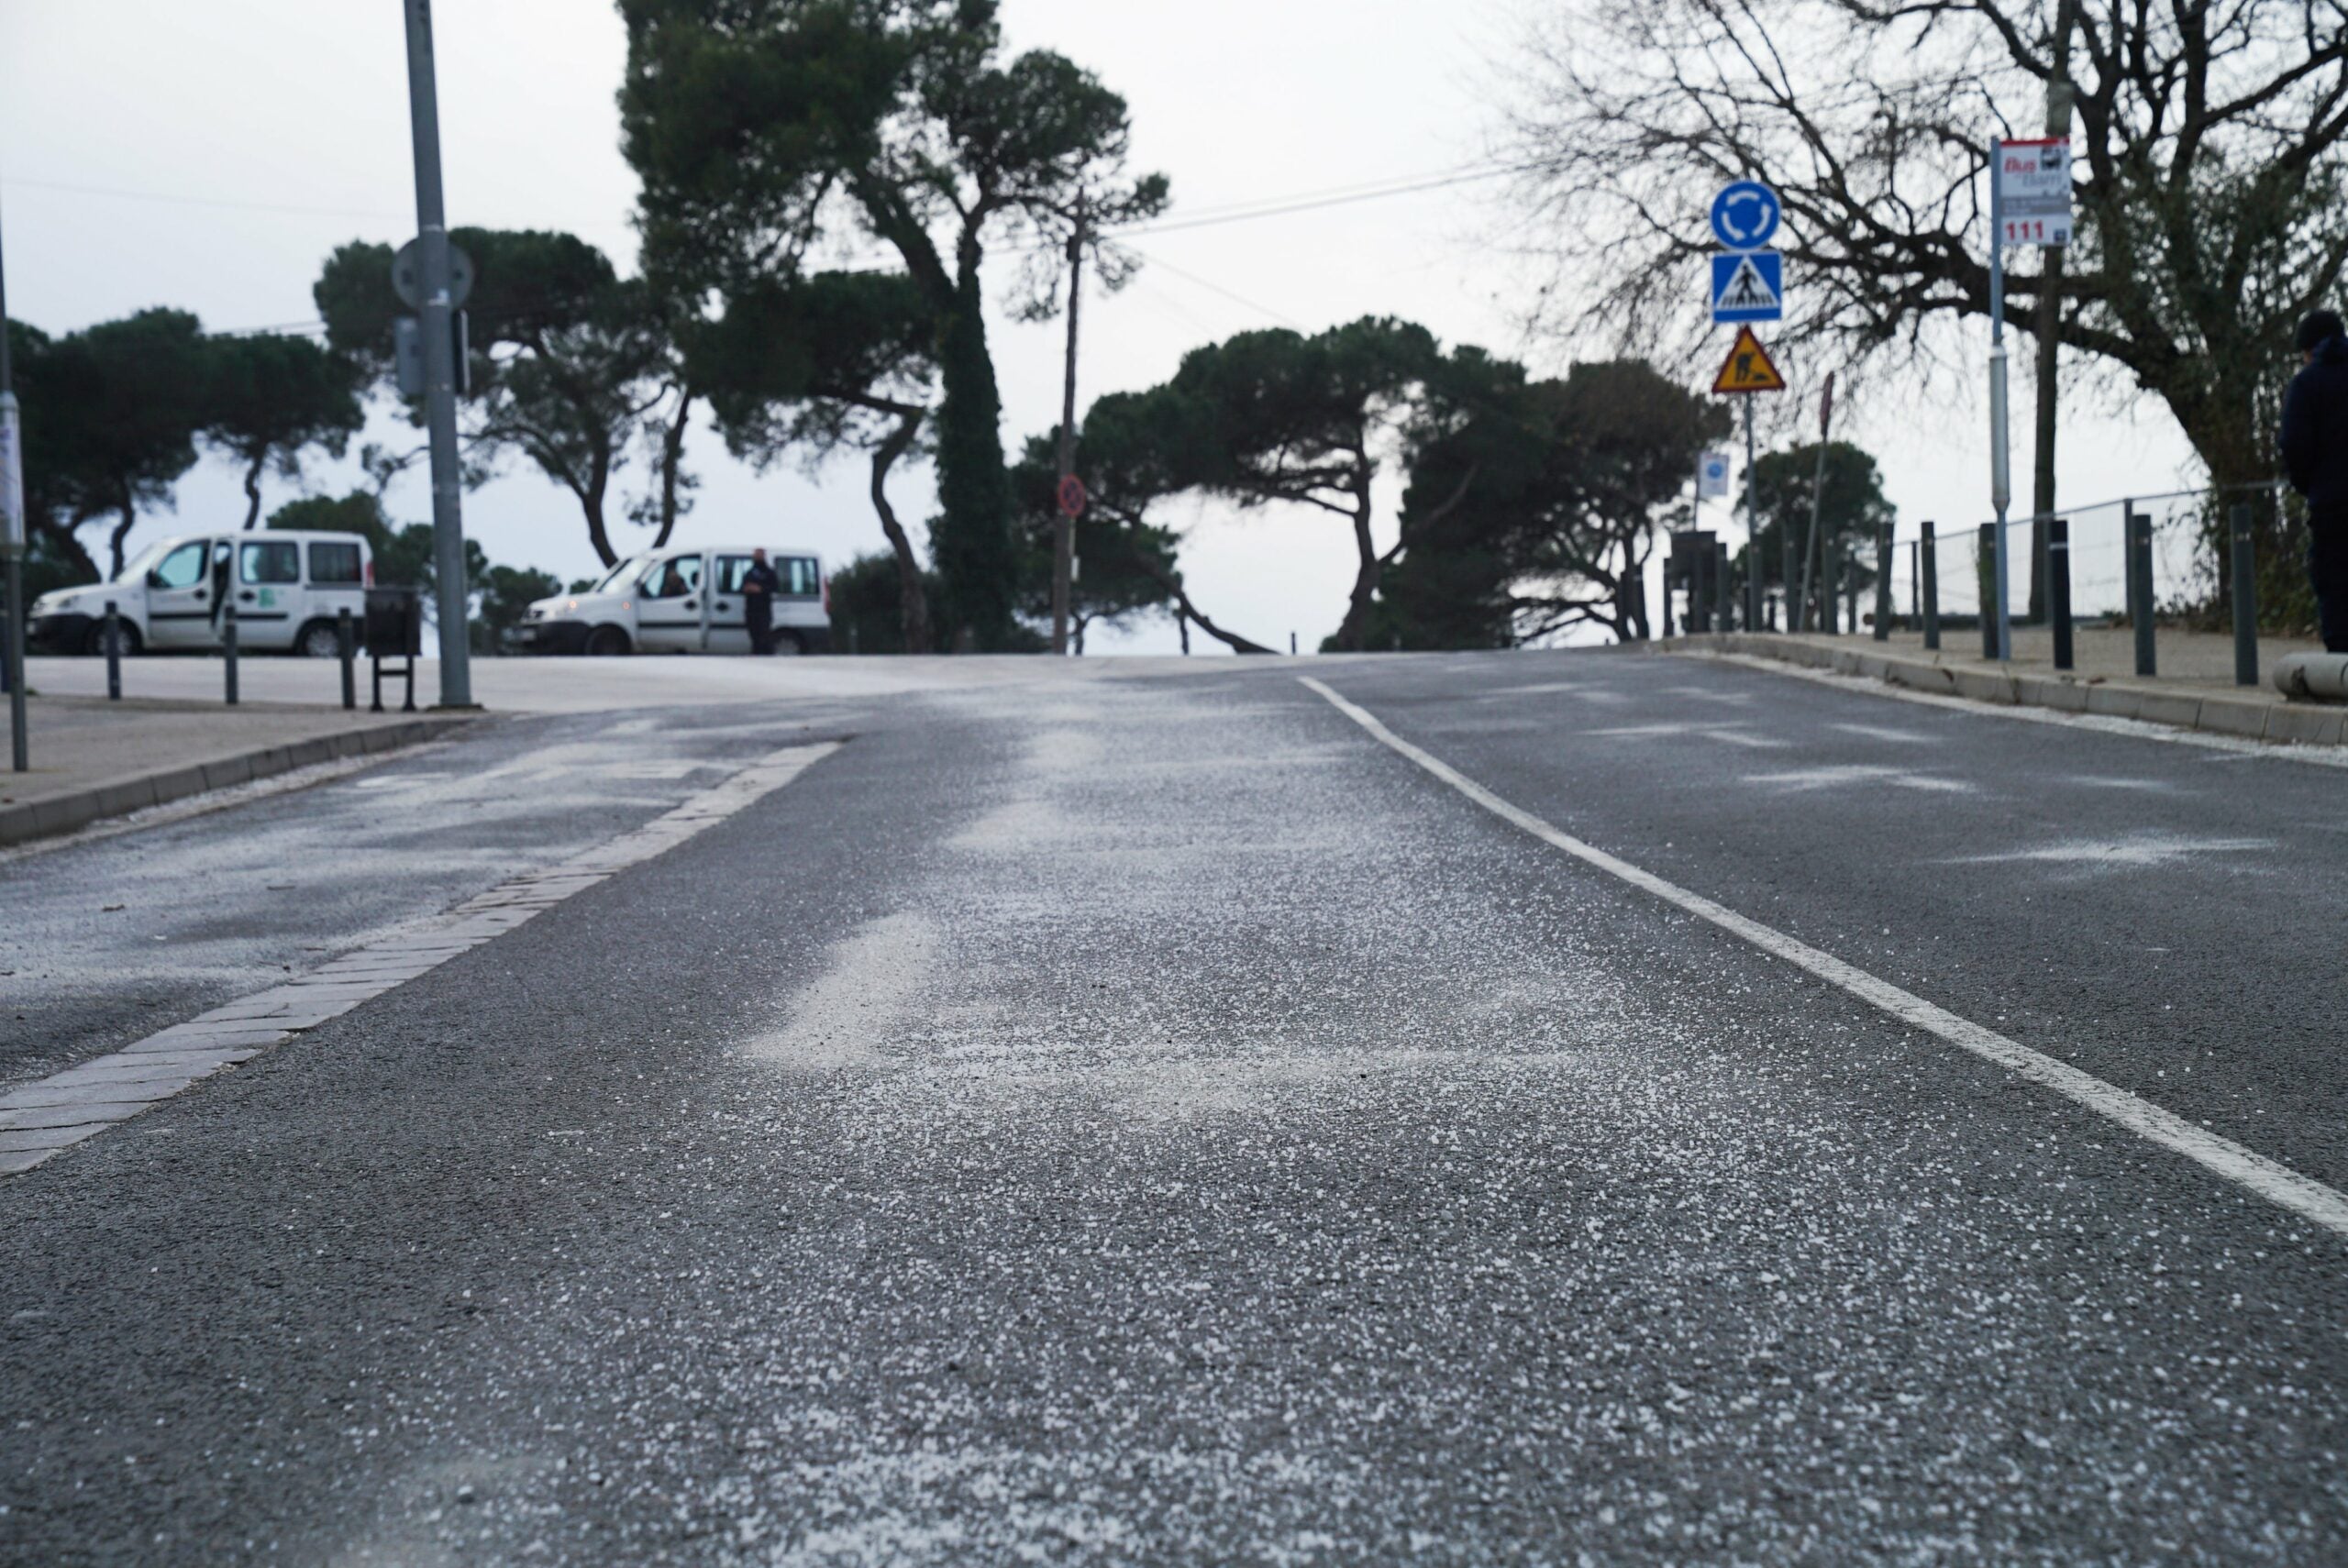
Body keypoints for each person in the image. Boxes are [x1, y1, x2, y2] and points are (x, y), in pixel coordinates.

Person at [2281, 308, 2348, 652]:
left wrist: (2309, 485)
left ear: (2309, 349)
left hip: (2332, 505)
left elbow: (2294, 445)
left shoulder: (2307, 383)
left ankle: (2341, 669)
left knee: (2335, 584)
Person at [740, 547, 780, 656]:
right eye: (755, 555)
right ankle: (755, 656)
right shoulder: (749, 573)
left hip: (764, 610)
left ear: (763, 556)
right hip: (751, 610)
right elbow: (742, 588)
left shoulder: (769, 572)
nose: (756, 557)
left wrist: (760, 589)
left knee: (764, 636)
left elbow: (775, 588)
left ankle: (766, 656)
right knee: (754, 636)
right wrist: (747, 588)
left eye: (758, 555)